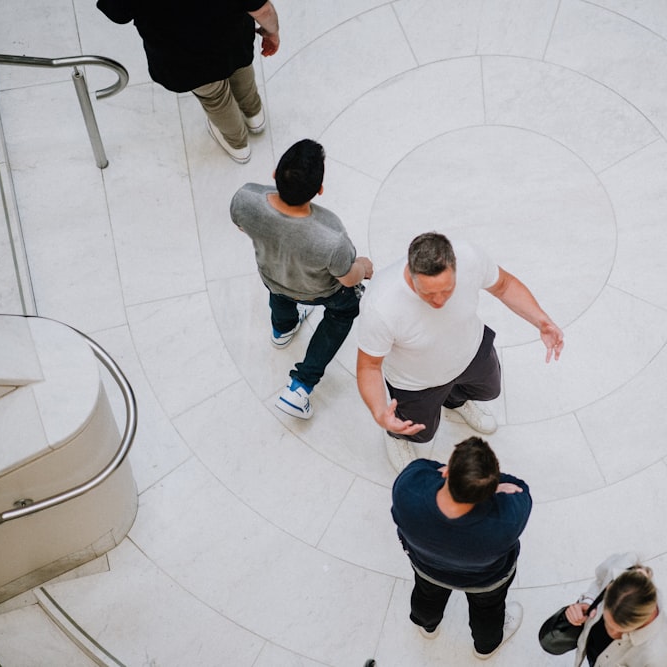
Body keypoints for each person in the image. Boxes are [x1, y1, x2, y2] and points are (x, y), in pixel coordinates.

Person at [356, 232, 564, 471]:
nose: (439, 301)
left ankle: (455, 402)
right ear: (410, 275)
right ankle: (395, 436)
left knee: (489, 390)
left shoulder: (469, 257)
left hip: (471, 351)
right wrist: (380, 412)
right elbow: (369, 366)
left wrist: (542, 321)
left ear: (456, 268)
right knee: (421, 434)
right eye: (428, 293)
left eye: (447, 290)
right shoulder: (381, 305)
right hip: (416, 382)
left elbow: (504, 286)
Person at [230, 139, 373, 419]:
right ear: (319, 190)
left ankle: (282, 330)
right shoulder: (330, 234)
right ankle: (300, 386)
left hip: (273, 276)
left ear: (275, 173)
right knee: (344, 312)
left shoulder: (245, 198)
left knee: (280, 295)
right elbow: (346, 278)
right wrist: (364, 267)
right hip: (321, 290)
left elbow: (242, 227)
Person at [391, 437, 531, 660]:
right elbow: (521, 490)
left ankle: (428, 626)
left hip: (426, 566)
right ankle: (485, 648)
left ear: (446, 472)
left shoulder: (408, 490)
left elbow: (423, 467)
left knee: (426, 596)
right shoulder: (508, 520)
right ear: (491, 490)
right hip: (486, 580)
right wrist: (493, 485)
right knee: (488, 612)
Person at [97, 0, 281, 163]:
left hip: (183, 55)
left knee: (215, 97)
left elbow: (118, 14)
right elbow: (262, 10)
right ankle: (254, 114)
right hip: (232, 35)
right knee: (241, 68)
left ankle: (238, 143)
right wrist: (272, 32)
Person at [561, 553, 667, 667]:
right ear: (610, 588)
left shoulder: (659, 659)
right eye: (605, 620)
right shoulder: (622, 566)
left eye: (618, 630)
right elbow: (600, 582)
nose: (609, 633)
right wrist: (589, 601)